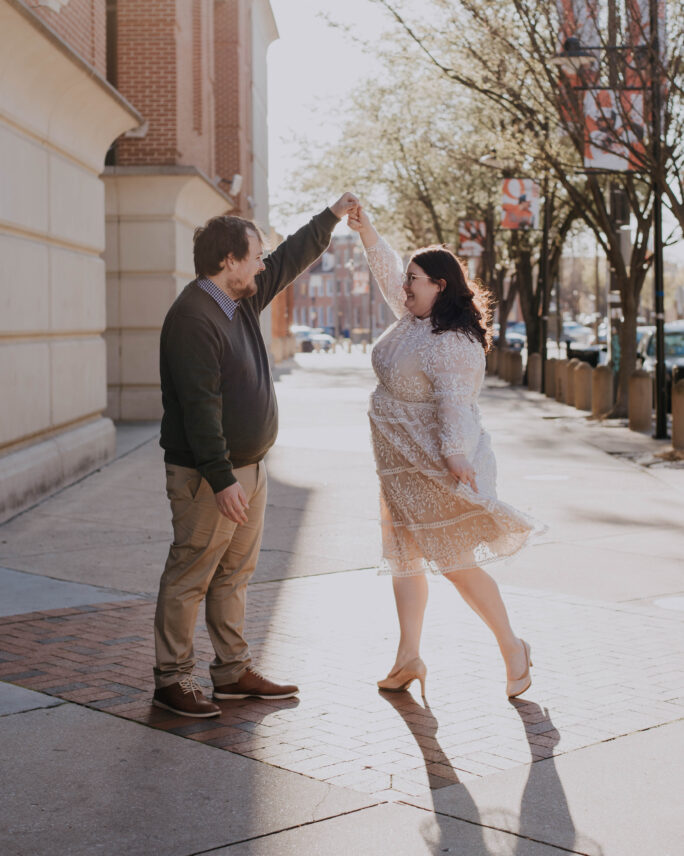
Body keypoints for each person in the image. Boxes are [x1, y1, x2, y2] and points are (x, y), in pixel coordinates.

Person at [153, 193, 358, 718]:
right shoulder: (194, 317)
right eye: (255, 255)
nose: (263, 264)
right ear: (228, 261)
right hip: (209, 476)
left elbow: (290, 257)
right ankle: (171, 679)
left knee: (234, 574)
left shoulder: (239, 299)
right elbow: (200, 408)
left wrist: (331, 216)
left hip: (250, 467)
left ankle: (231, 672)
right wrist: (222, 479)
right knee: (190, 573)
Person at [347, 206, 544, 700]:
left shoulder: (453, 341)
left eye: (414, 281)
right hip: (398, 468)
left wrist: (458, 457)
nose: (405, 287)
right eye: (408, 280)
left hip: (433, 467)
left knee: (454, 562)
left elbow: (456, 403)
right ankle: (408, 657)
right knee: (405, 561)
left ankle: (512, 647)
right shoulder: (415, 318)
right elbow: (390, 271)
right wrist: (368, 230)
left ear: (438, 284)